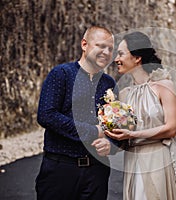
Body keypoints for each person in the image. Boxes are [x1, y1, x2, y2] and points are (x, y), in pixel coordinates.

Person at [35, 26, 119, 200]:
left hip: (97, 171)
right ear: (84, 44)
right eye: (100, 46)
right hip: (60, 169)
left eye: (110, 48)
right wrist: (93, 131)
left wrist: (111, 145)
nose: (106, 52)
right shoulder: (61, 74)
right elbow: (47, 115)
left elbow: (115, 122)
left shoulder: (109, 83)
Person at [104, 32, 176, 200]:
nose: (116, 59)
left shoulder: (164, 86)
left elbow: (171, 128)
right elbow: (120, 135)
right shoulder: (123, 95)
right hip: (132, 161)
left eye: (121, 53)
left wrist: (133, 135)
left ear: (137, 57)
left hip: (158, 159)